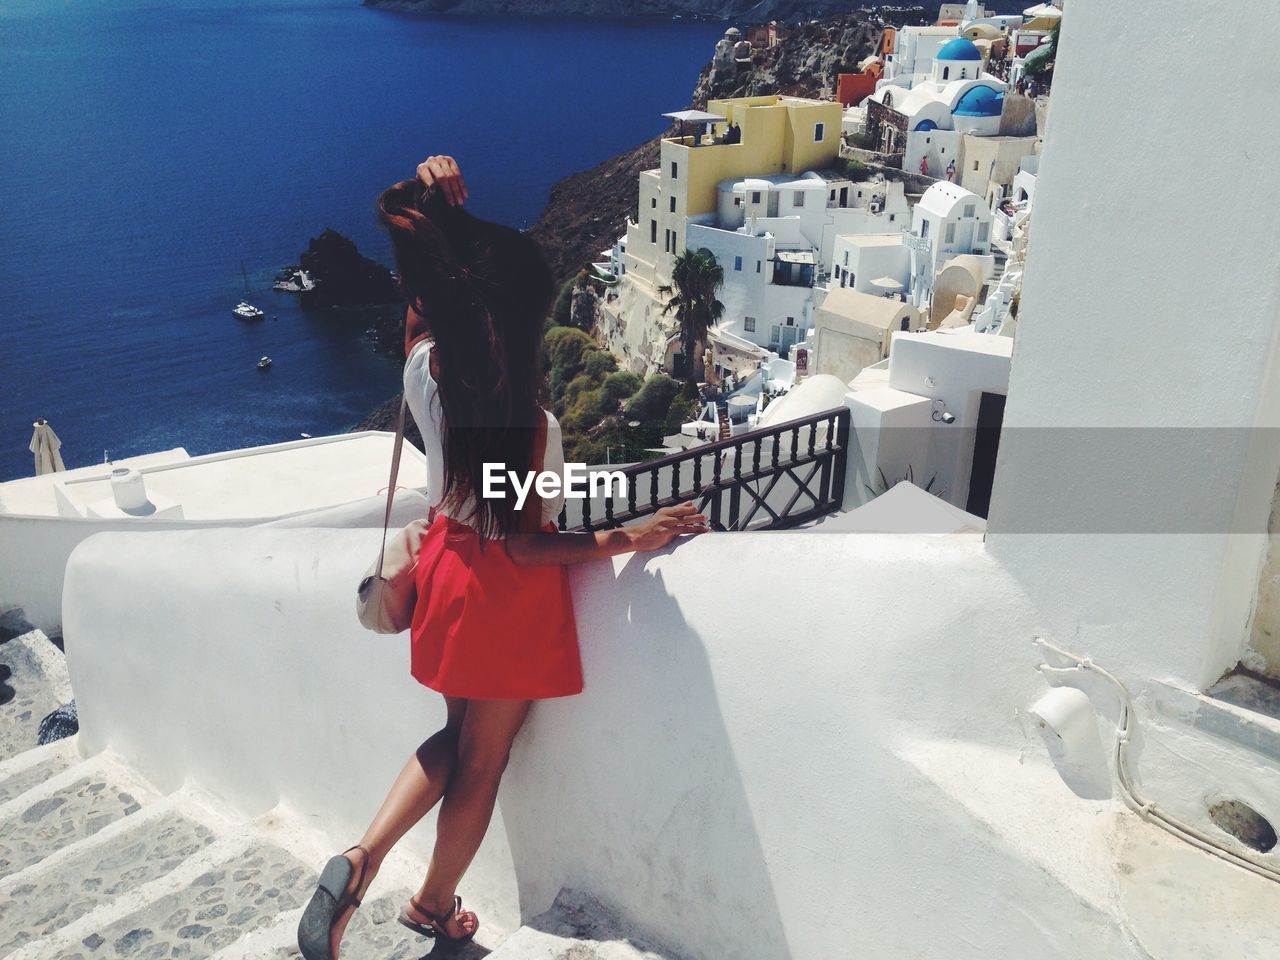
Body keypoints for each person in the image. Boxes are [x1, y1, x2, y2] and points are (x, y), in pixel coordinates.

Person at [296, 155, 709, 960]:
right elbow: (523, 542)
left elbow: (422, 312)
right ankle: (431, 903)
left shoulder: (426, 377)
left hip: (448, 571)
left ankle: (360, 862)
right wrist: (632, 534)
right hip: (501, 595)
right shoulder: (529, 431)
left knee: (453, 738)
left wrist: (435, 211)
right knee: (482, 761)